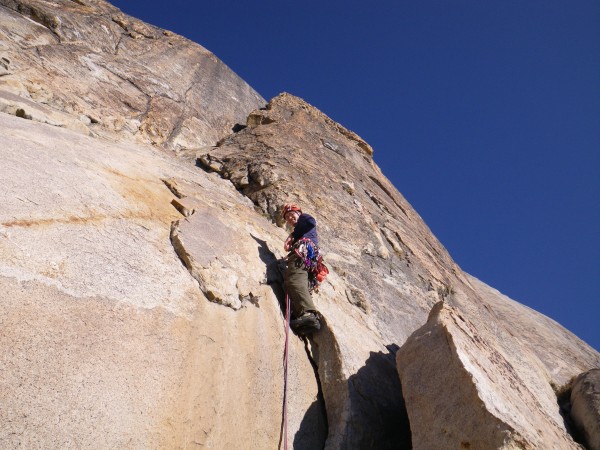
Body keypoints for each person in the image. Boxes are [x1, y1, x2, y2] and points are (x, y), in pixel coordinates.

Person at [282, 203, 321, 333]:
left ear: (299, 213)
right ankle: (303, 315)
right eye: (287, 217)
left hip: (303, 252)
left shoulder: (304, 219)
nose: (290, 218)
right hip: (308, 259)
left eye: (292, 214)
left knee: (294, 278)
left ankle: (307, 314)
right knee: (301, 282)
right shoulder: (301, 230)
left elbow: (310, 222)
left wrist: (292, 236)